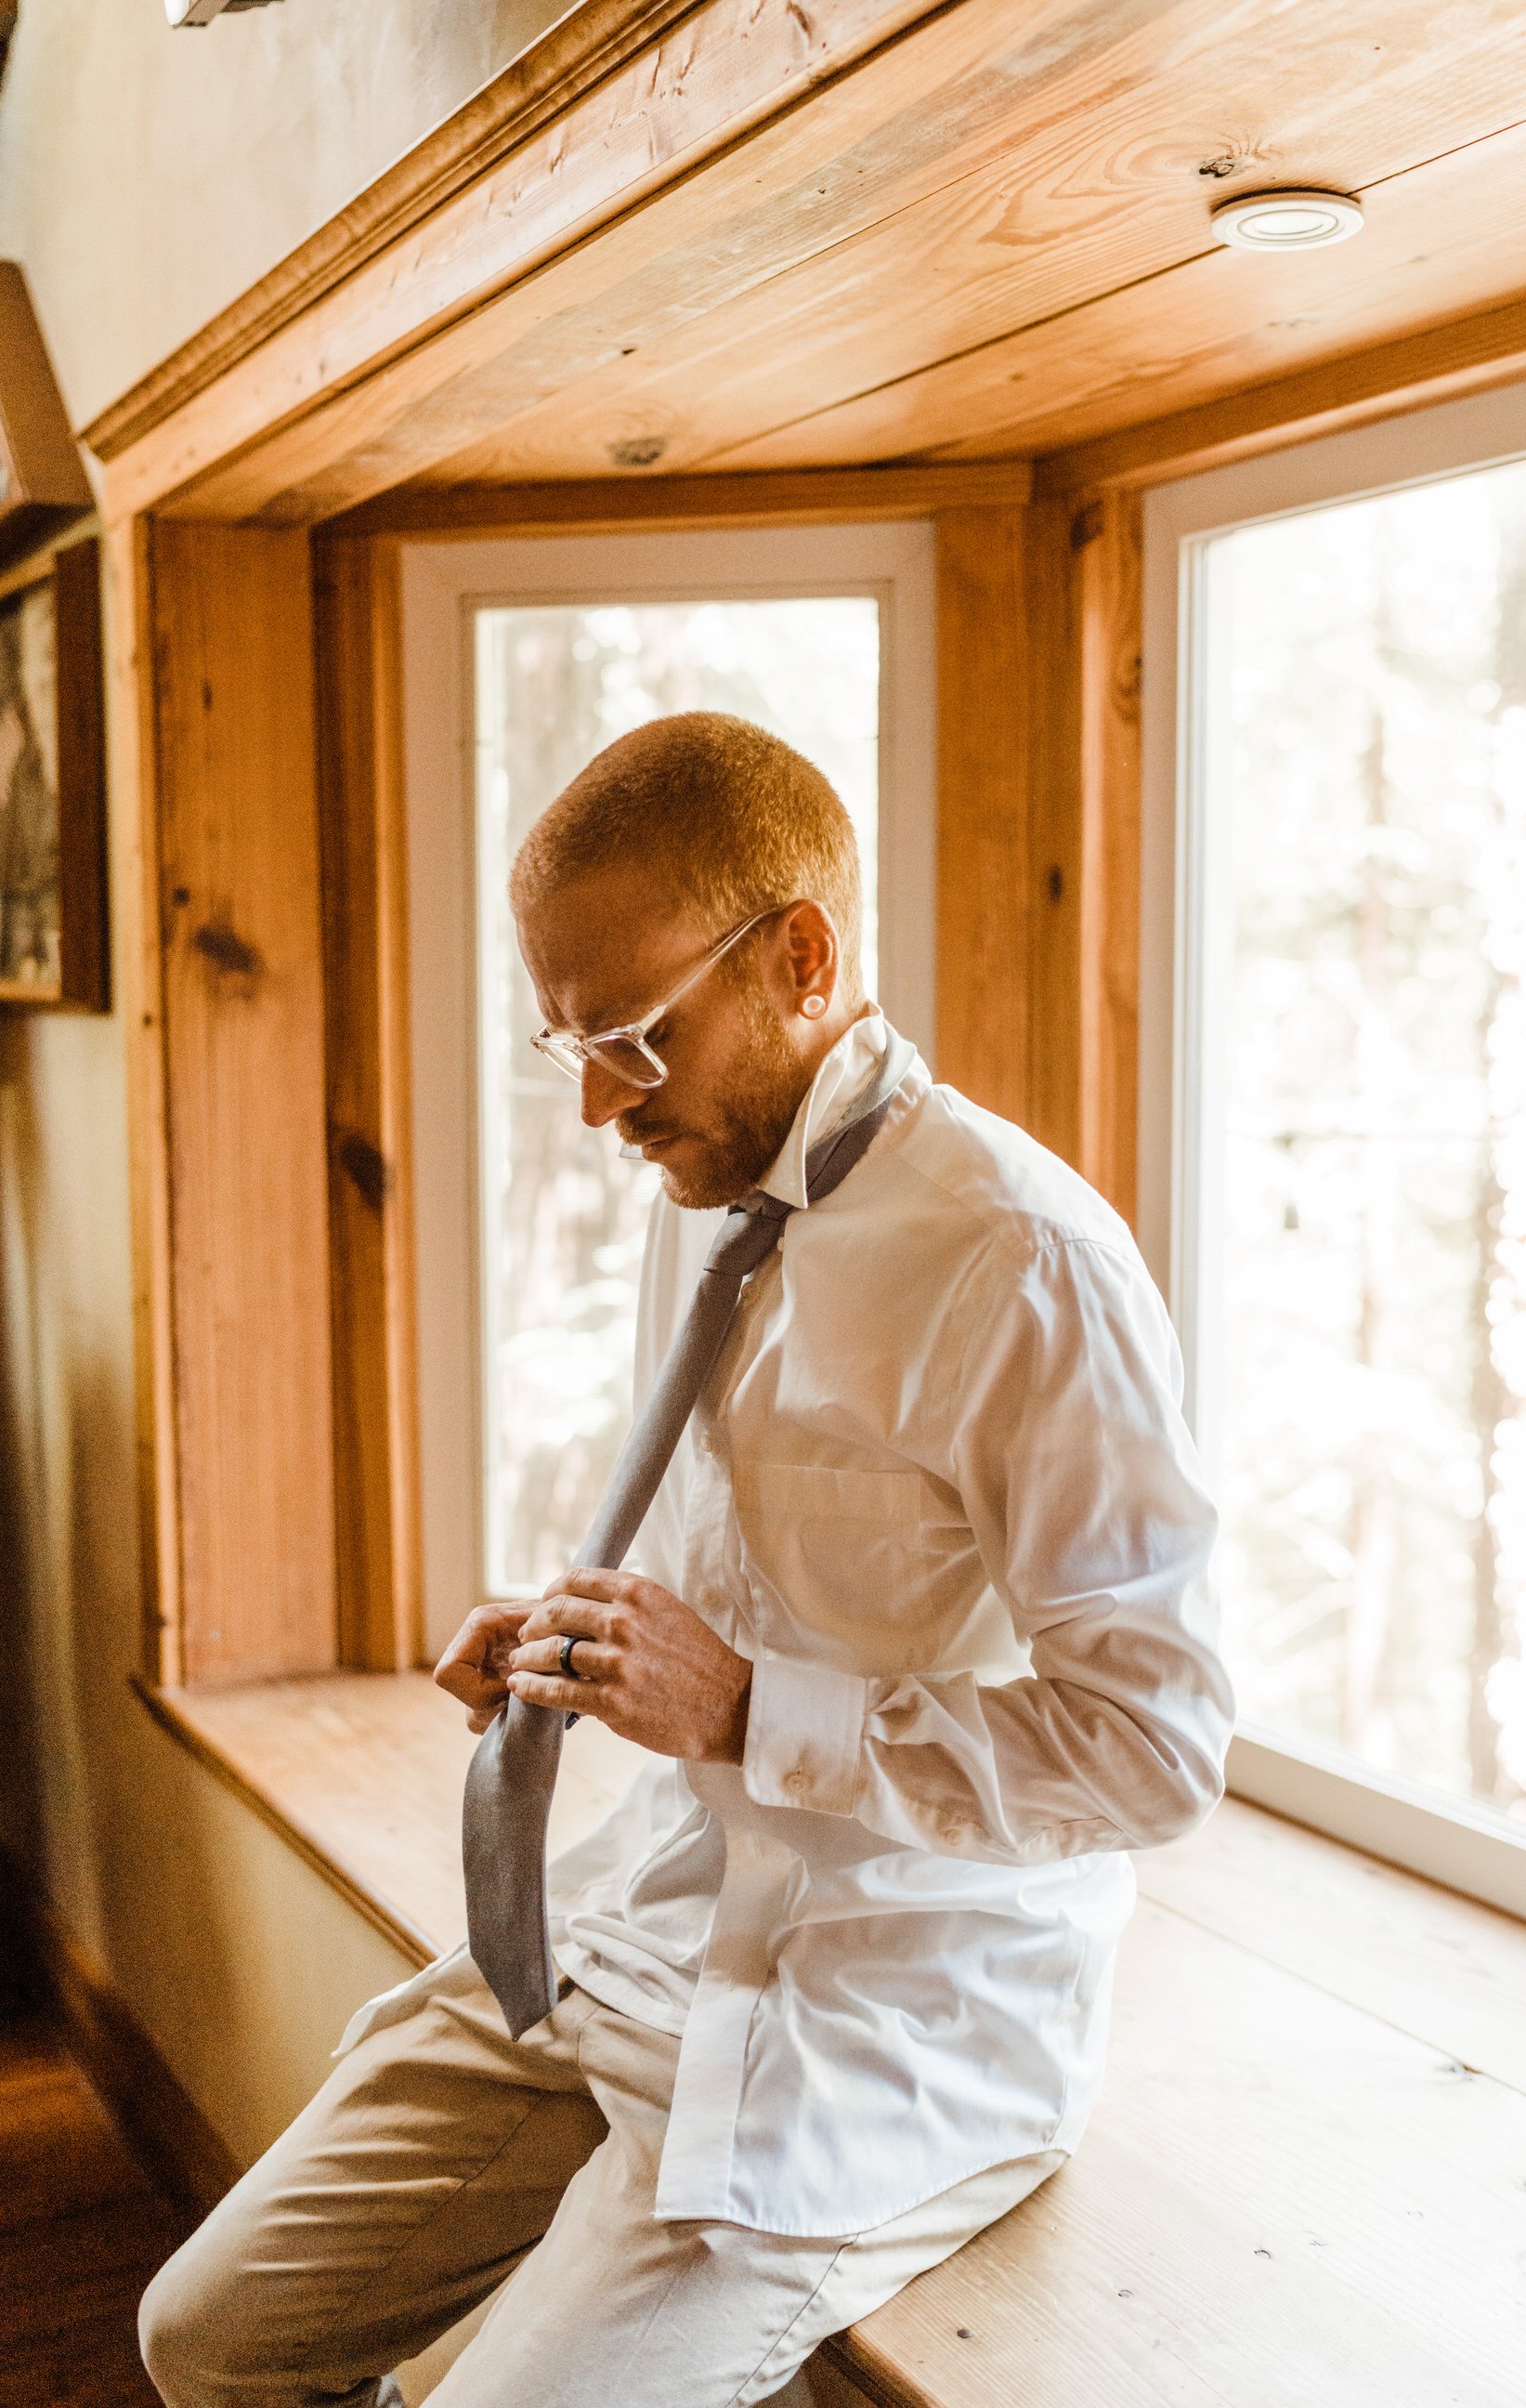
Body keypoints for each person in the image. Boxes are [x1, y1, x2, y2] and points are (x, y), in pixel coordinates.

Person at [140, 711, 1233, 2408]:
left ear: (803, 956)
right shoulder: (713, 1188)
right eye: (563, 1041)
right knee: (204, 2340)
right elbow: (758, 1591)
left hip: (885, 2013)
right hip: (643, 1920)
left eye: (633, 1036)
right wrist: (570, 1638)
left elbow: (1158, 1754)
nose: (594, 1104)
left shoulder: (1025, 1266)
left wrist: (741, 1710)